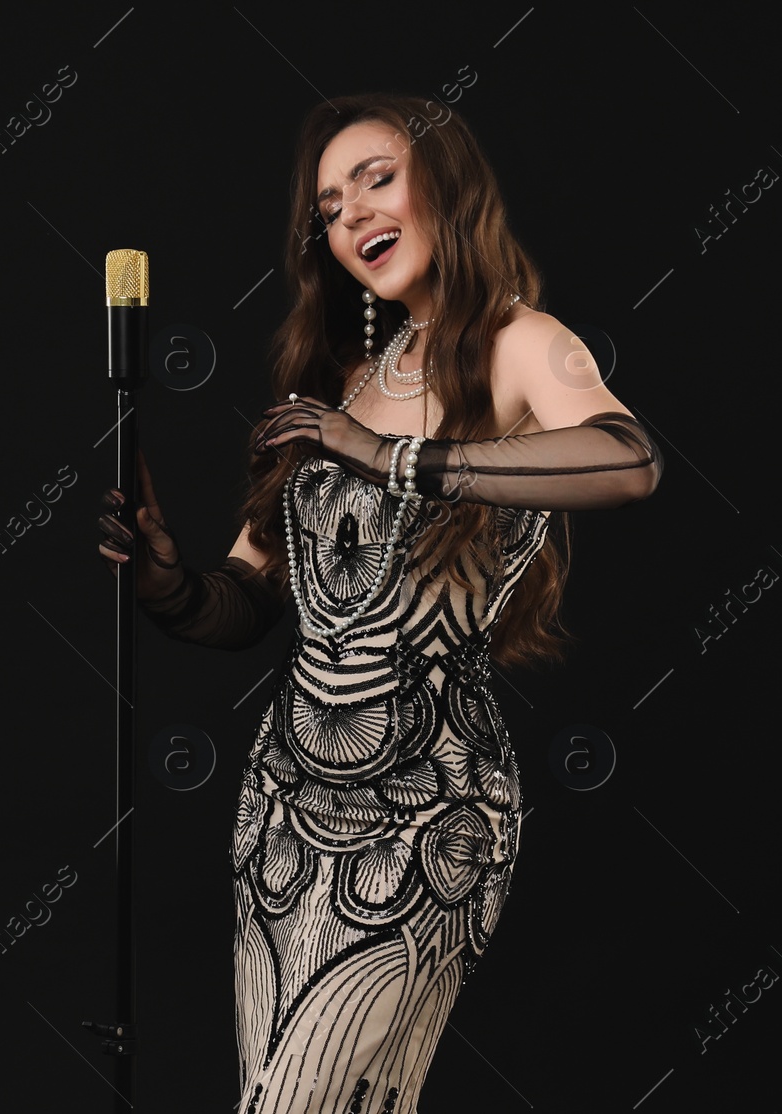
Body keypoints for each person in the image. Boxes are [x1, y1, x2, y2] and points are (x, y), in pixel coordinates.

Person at [96, 92, 662, 1114]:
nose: (351, 213)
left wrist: (390, 456)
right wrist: (164, 580)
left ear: (445, 182)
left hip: (429, 807)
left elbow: (627, 461)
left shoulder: (519, 342)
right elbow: (246, 603)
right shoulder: (339, 379)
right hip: (281, 810)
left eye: (376, 178)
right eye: (326, 205)